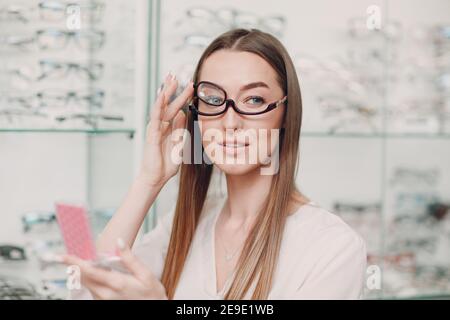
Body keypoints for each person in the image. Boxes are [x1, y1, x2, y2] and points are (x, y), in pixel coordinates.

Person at [63, 28, 367, 300]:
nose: (230, 122)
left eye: (254, 101)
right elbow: (86, 291)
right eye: (213, 99)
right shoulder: (187, 224)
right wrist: (148, 181)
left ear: (286, 113)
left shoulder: (332, 247)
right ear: (196, 115)